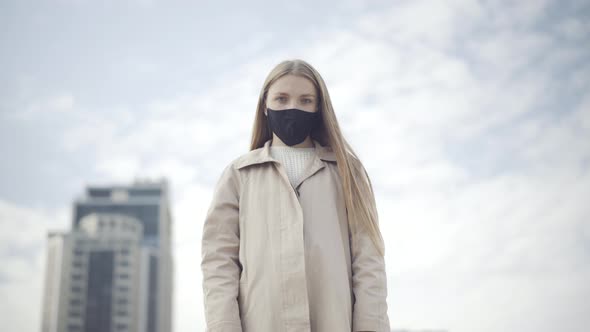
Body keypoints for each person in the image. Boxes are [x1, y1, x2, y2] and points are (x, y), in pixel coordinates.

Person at [200, 59, 391, 332]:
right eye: (281, 98)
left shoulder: (347, 171)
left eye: (305, 100)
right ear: (265, 105)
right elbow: (218, 262)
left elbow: (368, 260)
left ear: (318, 108)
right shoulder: (238, 175)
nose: (293, 108)